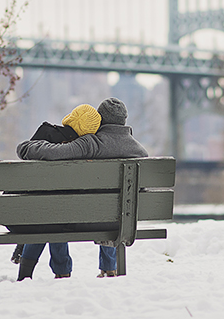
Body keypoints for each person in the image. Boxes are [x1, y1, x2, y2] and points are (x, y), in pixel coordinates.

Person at [15, 97, 148, 280]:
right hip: (123, 221)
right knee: (112, 206)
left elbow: (52, 153)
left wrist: (26, 147)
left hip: (83, 217)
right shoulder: (140, 152)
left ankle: (55, 271)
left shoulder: (91, 144)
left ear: (100, 119)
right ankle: (110, 268)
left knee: (52, 211)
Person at [9, 103, 103, 278]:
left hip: (28, 210)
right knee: (57, 212)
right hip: (65, 212)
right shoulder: (86, 148)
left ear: (71, 117)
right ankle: (62, 270)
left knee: (49, 213)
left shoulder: (45, 134)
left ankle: (27, 272)